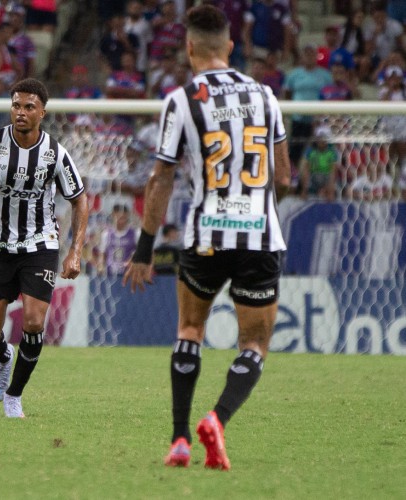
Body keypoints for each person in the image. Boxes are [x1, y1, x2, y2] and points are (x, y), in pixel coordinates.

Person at [123, 5, 291, 470]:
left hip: (204, 236)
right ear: (231, 48)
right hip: (259, 235)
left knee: (190, 331)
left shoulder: (181, 100)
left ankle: (179, 441)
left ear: (190, 47)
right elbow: (286, 177)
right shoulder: (266, 96)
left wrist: (143, 249)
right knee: (254, 345)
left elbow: (161, 179)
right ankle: (216, 418)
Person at [0, 78, 89, 418]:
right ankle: (3, 357)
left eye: (29, 107)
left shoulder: (55, 153)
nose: (21, 112)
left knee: (32, 322)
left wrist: (75, 250)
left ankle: (14, 395)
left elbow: (79, 199)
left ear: (42, 112)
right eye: (16, 105)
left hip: (39, 245)